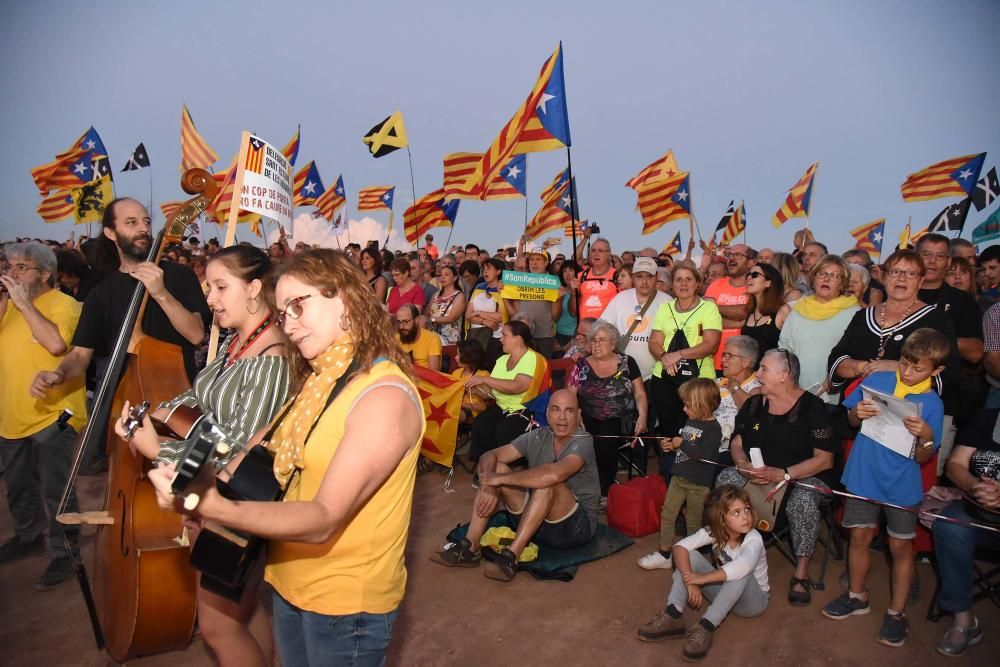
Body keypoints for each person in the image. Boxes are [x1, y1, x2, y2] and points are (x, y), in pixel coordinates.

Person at [148, 248, 424, 667]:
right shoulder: (316, 380)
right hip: (290, 581)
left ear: (346, 299)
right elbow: (250, 452)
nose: (289, 323)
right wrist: (197, 482)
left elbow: (323, 518)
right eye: (283, 312)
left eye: (299, 305)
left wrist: (216, 505)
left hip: (345, 603)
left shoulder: (382, 395)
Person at [114, 245, 290, 666]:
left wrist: (159, 449)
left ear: (253, 288)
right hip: (208, 495)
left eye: (219, 287)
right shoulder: (237, 341)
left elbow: (237, 450)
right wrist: (160, 411)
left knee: (217, 626)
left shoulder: (271, 358)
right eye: (207, 287)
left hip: (236, 502)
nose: (209, 298)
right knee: (242, 614)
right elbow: (203, 402)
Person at [30, 199, 211, 472]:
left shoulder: (178, 275)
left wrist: (160, 292)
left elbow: (196, 334)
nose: (143, 229)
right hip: (123, 405)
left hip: (177, 407)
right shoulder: (102, 293)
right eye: (131, 222)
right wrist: (59, 374)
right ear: (110, 233)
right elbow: (80, 355)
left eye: (146, 222)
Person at [821, 329, 946, 647]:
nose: (907, 371)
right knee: (859, 536)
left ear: (936, 370)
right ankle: (856, 595)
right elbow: (850, 421)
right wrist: (855, 413)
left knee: (901, 547)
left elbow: (923, 456)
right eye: (904, 362)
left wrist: (927, 434)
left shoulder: (932, 403)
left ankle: (896, 613)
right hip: (864, 473)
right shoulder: (876, 381)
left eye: (918, 368)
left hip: (901, 483)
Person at [431, 390, 600, 581]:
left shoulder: (584, 441)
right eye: (556, 410)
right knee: (499, 468)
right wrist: (488, 484)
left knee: (548, 482)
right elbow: (490, 455)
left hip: (575, 528)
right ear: (547, 413)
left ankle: (511, 557)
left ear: (578, 416)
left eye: (569, 411)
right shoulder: (538, 435)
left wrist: (499, 480)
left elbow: (554, 474)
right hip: (538, 522)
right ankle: (470, 546)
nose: (562, 417)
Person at [715, 349, 839, 605]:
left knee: (804, 500)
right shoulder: (753, 403)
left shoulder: (812, 408)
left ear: (784, 375)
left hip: (801, 476)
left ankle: (801, 571)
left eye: (763, 369)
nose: (757, 374)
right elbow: (737, 442)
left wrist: (783, 474)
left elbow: (824, 459)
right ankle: (730, 551)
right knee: (726, 480)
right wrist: (742, 464)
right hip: (758, 474)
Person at [0, 243, 85, 590]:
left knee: (57, 489)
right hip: (12, 414)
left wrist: (23, 304)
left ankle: (66, 551)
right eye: (10, 266)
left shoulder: (65, 305)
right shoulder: (10, 307)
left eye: (22, 268)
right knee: (18, 486)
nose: (13, 274)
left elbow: (56, 346)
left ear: (45, 274)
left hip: (54, 415)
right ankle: (27, 535)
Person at [636, 485, 769, 663]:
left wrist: (700, 579)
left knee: (739, 571)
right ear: (721, 519)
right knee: (689, 555)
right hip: (725, 593)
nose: (745, 516)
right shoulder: (714, 532)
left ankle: (707, 625)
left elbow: (742, 566)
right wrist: (690, 580)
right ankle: (673, 614)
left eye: (746, 509)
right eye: (736, 512)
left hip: (752, 602)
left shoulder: (754, 538)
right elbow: (679, 547)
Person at [828, 249, 960, 403]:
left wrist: (900, 368)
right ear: (883, 277)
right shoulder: (863, 316)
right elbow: (836, 357)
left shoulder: (937, 319)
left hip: (908, 415)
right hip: (856, 410)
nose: (902, 278)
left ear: (921, 280)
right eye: (895, 271)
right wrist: (861, 367)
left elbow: (950, 371)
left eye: (911, 273)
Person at [931, 407, 1000, 657]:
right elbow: (956, 465)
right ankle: (964, 621)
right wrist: (975, 486)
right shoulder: (988, 418)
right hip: (979, 512)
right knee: (949, 523)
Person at [637, 378, 722, 571]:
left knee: (693, 522)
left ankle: (692, 558)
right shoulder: (691, 420)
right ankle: (664, 554)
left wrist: (680, 444)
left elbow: (701, 455)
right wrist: (671, 447)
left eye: (688, 405)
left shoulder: (714, 429)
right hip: (678, 478)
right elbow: (686, 449)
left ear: (702, 405)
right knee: (668, 514)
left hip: (698, 485)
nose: (684, 409)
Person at [648, 264, 722, 475]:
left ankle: (693, 479)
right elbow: (654, 342)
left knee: (694, 433)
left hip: (697, 382)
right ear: (672, 284)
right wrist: (664, 358)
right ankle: (670, 480)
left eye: (688, 279)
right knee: (669, 432)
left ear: (698, 283)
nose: (683, 284)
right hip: (664, 378)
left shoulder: (708, 309)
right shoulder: (665, 308)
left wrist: (677, 355)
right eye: (678, 279)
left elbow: (711, 344)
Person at [567, 320, 648, 496]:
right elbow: (570, 394)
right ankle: (584, 485)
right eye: (594, 340)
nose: (596, 344)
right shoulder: (581, 365)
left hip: (620, 416)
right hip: (587, 415)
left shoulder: (627, 363)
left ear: (613, 343)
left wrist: (642, 417)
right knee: (583, 435)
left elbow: (640, 394)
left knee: (605, 439)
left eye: (602, 340)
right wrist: (575, 414)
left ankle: (604, 490)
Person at [917, 233, 986, 425]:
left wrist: (929, 339)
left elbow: (975, 352)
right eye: (926, 254)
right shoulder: (897, 297)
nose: (932, 261)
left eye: (940, 256)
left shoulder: (963, 301)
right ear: (915, 257)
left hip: (945, 401)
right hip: (894, 396)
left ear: (948, 262)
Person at [778, 255, 859, 402]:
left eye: (834, 275)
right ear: (814, 279)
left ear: (842, 284)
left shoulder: (854, 313)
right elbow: (784, 349)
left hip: (834, 394)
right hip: (796, 393)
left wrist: (832, 380)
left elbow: (856, 354)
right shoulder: (798, 310)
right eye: (822, 274)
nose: (826, 279)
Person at [466, 320, 538, 463]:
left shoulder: (532, 358)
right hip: (502, 406)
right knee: (481, 424)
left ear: (518, 338)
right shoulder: (502, 360)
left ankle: (506, 471)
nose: (500, 339)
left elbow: (517, 386)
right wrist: (475, 388)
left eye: (504, 335)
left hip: (524, 410)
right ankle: (485, 468)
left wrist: (485, 380)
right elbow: (492, 391)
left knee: (505, 431)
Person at [599, 256, 672, 382]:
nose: (644, 281)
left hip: (655, 376)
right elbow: (602, 328)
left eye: (649, 277)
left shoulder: (667, 302)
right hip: (621, 375)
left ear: (656, 277)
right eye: (639, 276)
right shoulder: (620, 298)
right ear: (633, 278)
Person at [504, 246, 560, 358]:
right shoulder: (519, 282)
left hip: (544, 336)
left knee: (542, 369)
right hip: (522, 336)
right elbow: (515, 314)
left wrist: (558, 299)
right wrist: (504, 294)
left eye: (538, 259)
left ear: (546, 263)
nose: (534, 263)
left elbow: (556, 317)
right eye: (531, 260)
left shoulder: (554, 283)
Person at [705, 245, 752, 373]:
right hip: (714, 362)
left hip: (743, 365)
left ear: (750, 262)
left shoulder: (753, 286)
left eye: (737, 255)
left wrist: (714, 309)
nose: (732, 258)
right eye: (730, 255)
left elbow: (746, 312)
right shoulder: (715, 286)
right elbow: (704, 321)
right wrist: (739, 322)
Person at [714, 336, 761, 463]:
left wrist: (733, 386)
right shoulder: (717, 383)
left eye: (729, 356)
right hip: (708, 443)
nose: (723, 359)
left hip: (732, 451)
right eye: (724, 354)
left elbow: (751, 411)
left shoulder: (757, 387)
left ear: (745, 362)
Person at [740, 262, 790, 358]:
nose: (749, 278)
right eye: (748, 274)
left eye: (754, 275)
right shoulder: (750, 311)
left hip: (773, 370)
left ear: (768, 283)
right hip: (750, 372)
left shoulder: (783, 311)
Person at [465, 257, 508, 365]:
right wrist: (485, 321)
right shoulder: (479, 287)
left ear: (498, 271)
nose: (485, 271)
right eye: (483, 269)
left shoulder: (504, 289)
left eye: (488, 268)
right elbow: (468, 315)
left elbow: (500, 317)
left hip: (496, 339)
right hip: (476, 336)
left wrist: (479, 313)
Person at [573, 236, 618, 320]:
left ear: (609, 254)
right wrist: (573, 293)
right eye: (593, 250)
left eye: (600, 251)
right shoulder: (581, 276)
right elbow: (573, 311)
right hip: (584, 329)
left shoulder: (617, 275)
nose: (596, 254)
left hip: (607, 329)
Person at [395, 303, 442, 371]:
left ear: (417, 320)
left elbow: (434, 372)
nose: (401, 326)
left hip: (425, 380)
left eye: (405, 322)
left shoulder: (432, 339)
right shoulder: (396, 338)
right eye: (399, 322)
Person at [428, 264, 466, 346]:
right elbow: (426, 312)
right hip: (433, 336)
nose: (443, 277)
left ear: (455, 278)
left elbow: (452, 318)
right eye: (441, 275)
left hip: (450, 339)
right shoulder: (436, 294)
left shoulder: (459, 296)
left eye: (446, 274)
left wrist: (432, 319)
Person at [554, 261, 580, 353]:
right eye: (565, 271)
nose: (568, 274)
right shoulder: (558, 290)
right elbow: (555, 318)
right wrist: (559, 298)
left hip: (575, 337)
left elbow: (573, 313)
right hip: (558, 337)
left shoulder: (582, 291)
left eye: (571, 270)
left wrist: (573, 293)